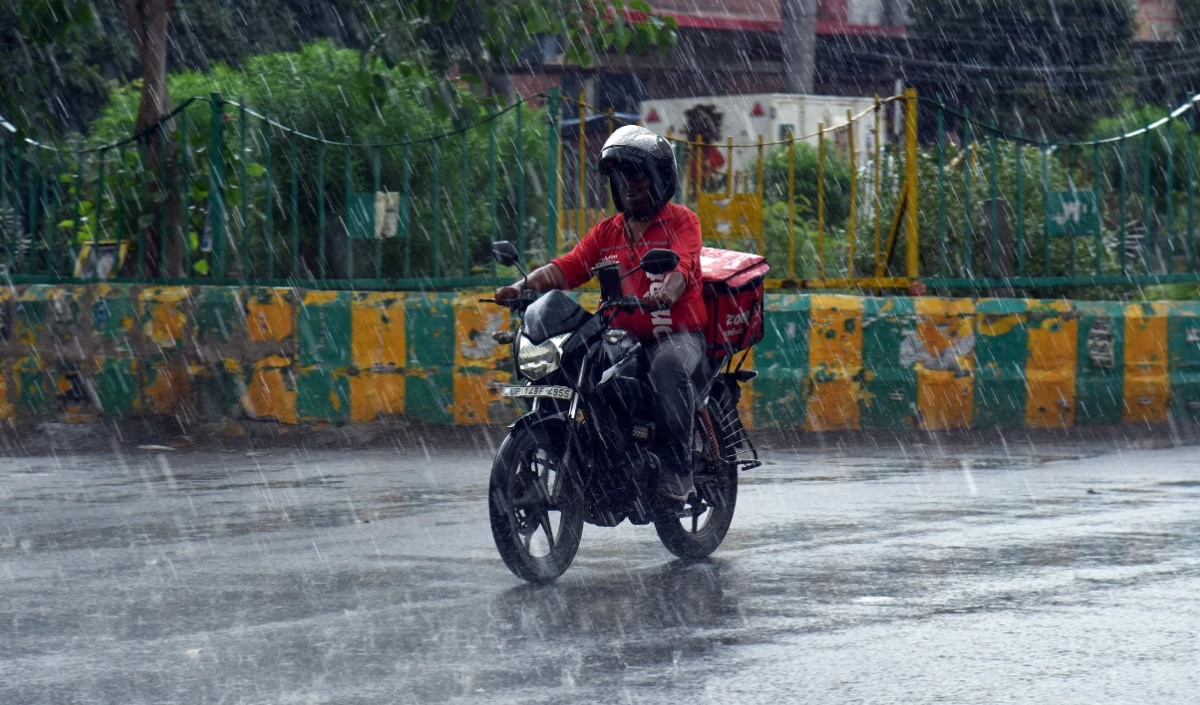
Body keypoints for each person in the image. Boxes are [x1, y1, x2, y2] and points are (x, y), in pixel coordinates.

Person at [494, 125, 707, 503]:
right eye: (619, 175)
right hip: (619, 336)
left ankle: (678, 468)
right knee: (581, 368)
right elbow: (569, 267)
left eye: (636, 173)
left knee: (666, 368)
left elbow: (684, 266)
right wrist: (523, 286)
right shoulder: (608, 231)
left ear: (660, 177)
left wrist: (664, 292)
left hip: (674, 335)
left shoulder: (681, 221)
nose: (627, 183)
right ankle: (601, 456)